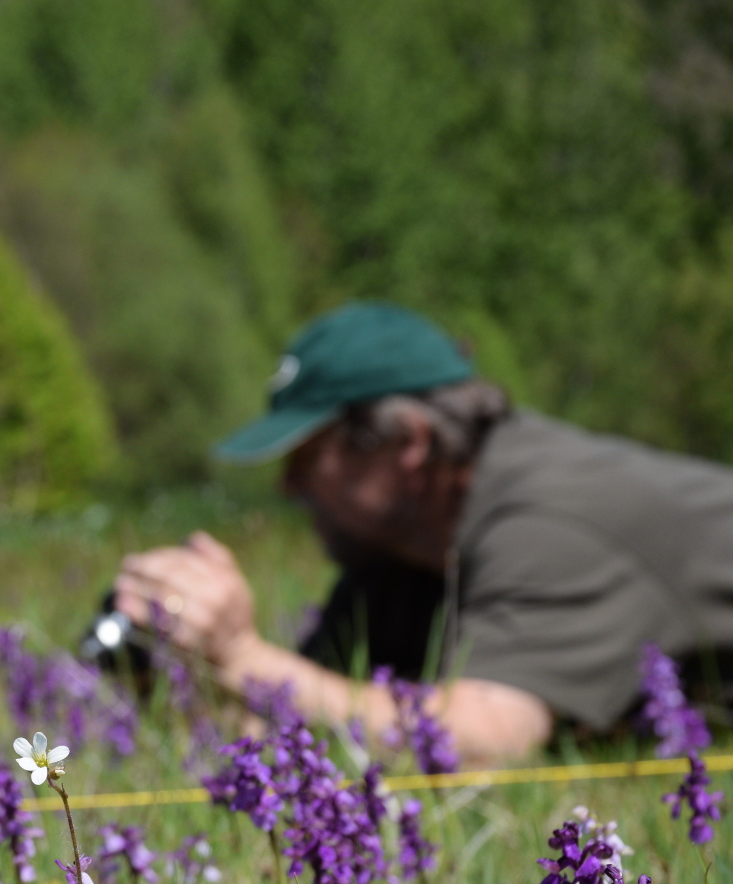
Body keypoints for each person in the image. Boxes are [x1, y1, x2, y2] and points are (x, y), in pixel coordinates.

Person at [115, 301, 733, 766]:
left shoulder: (550, 524)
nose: (287, 486)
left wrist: (243, 656)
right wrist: (178, 675)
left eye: (308, 456)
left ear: (409, 442)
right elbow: (315, 723)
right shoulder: (401, 551)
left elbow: (484, 740)